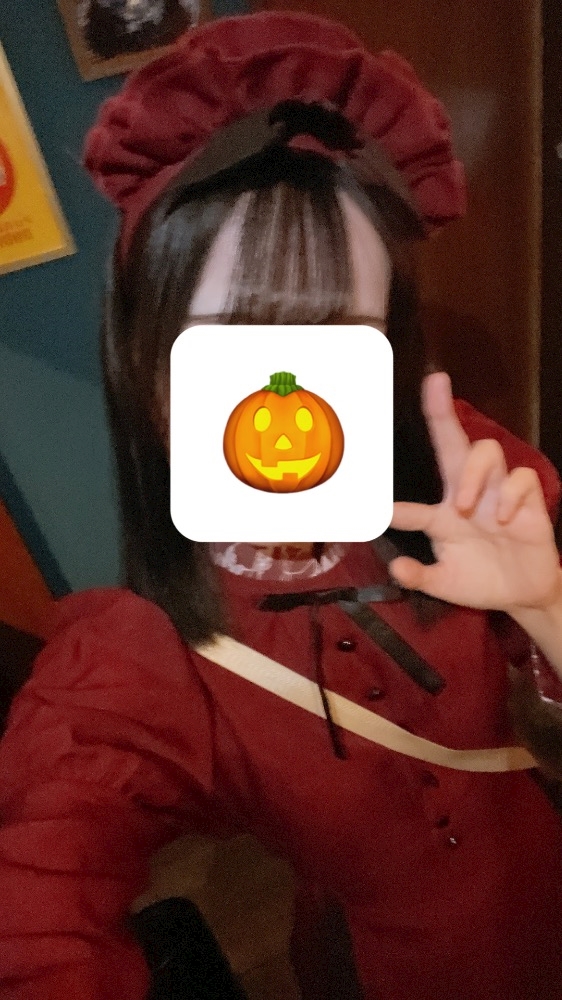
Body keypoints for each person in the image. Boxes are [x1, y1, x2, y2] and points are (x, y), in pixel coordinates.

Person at [0, 11, 562, 1000]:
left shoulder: (467, 476)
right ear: (150, 364)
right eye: (237, 338)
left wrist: (546, 603)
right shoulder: (140, 657)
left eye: (340, 331)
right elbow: (38, 897)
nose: (289, 396)